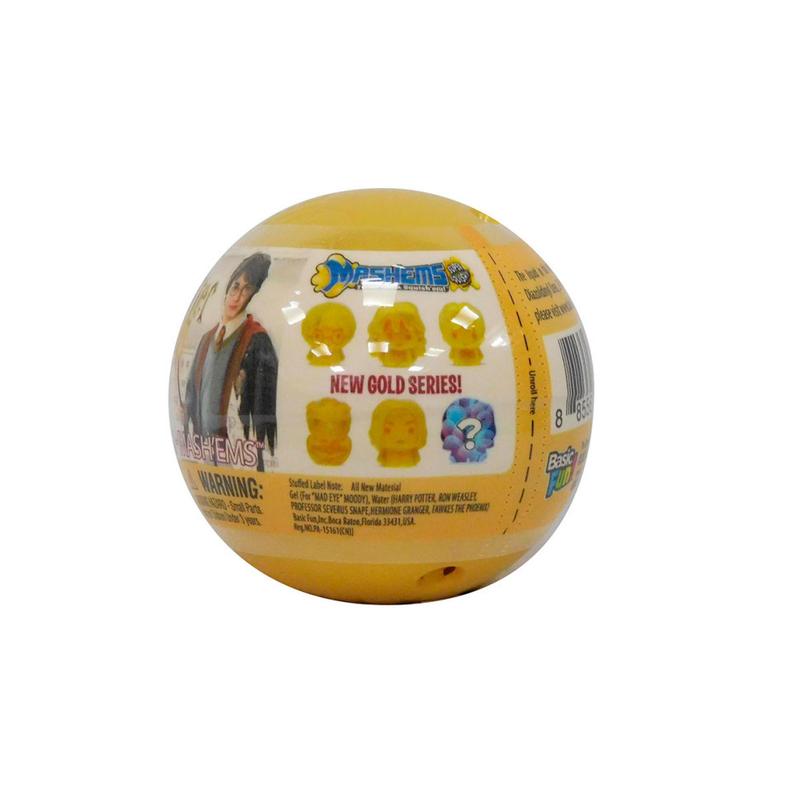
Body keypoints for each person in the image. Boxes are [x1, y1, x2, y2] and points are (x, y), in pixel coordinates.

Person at [185, 253, 277, 471]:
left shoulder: (257, 341)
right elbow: (191, 393)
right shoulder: (206, 340)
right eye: (236, 287)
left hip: (239, 456)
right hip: (206, 453)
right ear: (227, 288)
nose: (237, 297)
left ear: (253, 297)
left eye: (246, 291)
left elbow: (263, 412)